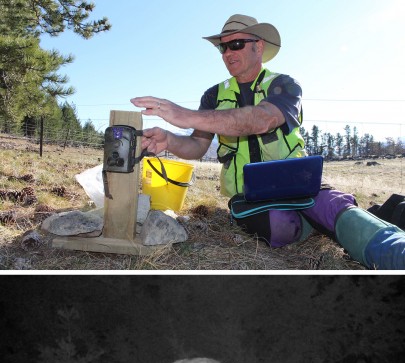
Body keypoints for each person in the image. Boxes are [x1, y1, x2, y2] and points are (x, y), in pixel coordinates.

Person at [131, 14, 405, 270]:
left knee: (330, 204)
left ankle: (391, 251)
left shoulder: (284, 85)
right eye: (222, 48)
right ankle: (329, 223)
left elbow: (262, 119)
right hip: (248, 198)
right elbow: (197, 147)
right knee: (281, 227)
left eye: (236, 44)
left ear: (258, 47)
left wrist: (187, 115)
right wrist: (169, 139)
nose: (228, 53)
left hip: (299, 185)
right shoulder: (213, 95)